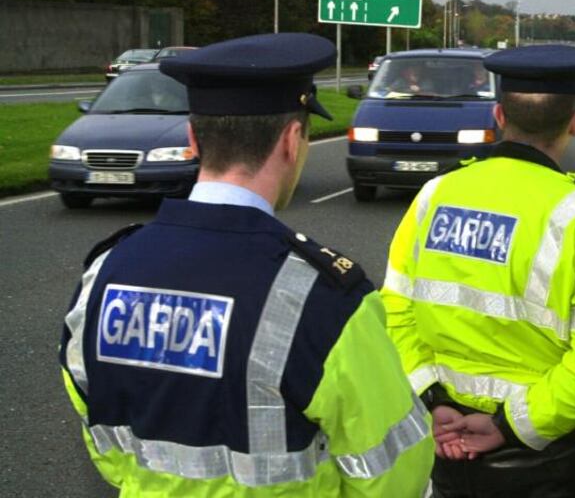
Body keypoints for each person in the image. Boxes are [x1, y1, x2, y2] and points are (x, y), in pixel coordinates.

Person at [58, 33, 433, 497]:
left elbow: (96, 416)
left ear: (193, 138)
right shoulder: (324, 299)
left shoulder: (106, 270)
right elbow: (395, 470)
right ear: (293, 141)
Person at [382, 44, 575, 498]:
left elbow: (395, 314)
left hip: (447, 444)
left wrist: (432, 400)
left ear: (498, 115)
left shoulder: (434, 195)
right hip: (548, 460)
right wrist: (509, 426)